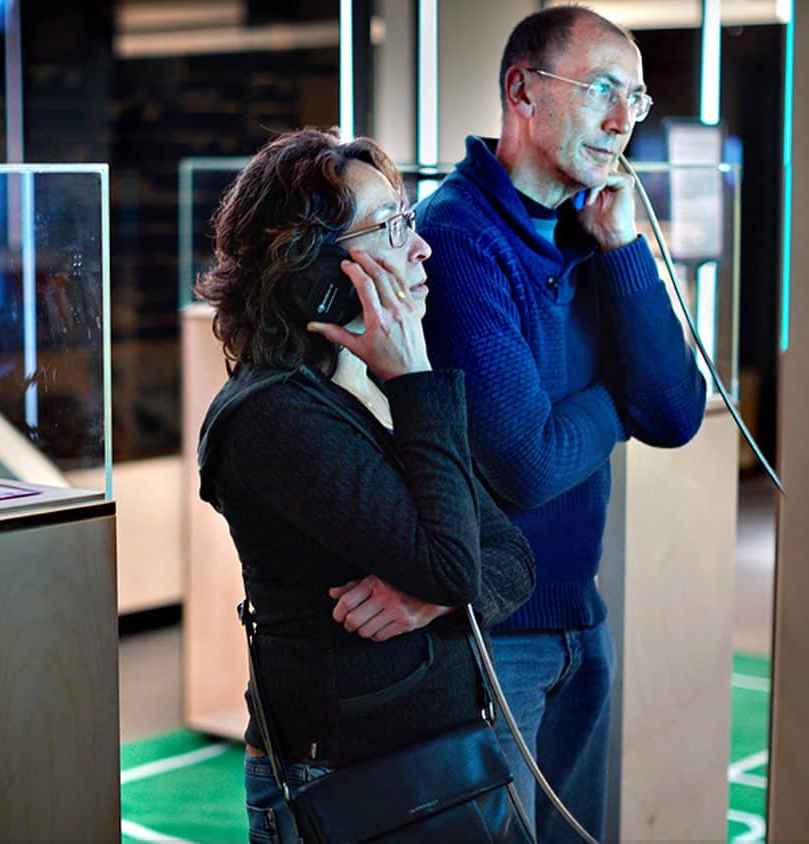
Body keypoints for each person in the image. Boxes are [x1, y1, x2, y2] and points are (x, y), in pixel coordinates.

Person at [414, 6, 708, 842]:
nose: (623, 121)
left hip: (583, 617)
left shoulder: (592, 229)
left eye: (637, 100)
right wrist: (622, 396)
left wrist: (622, 248)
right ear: (523, 92)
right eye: (603, 90)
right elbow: (529, 462)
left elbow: (679, 414)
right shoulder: (460, 236)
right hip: (493, 635)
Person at [195, 128, 537, 844]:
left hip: (437, 759)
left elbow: (509, 560)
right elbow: (457, 564)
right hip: (351, 782)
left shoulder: (356, 387)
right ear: (313, 269)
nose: (420, 247)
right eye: (389, 227)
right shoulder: (271, 417)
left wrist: (430, 599)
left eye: (408, 220)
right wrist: (414, 382)